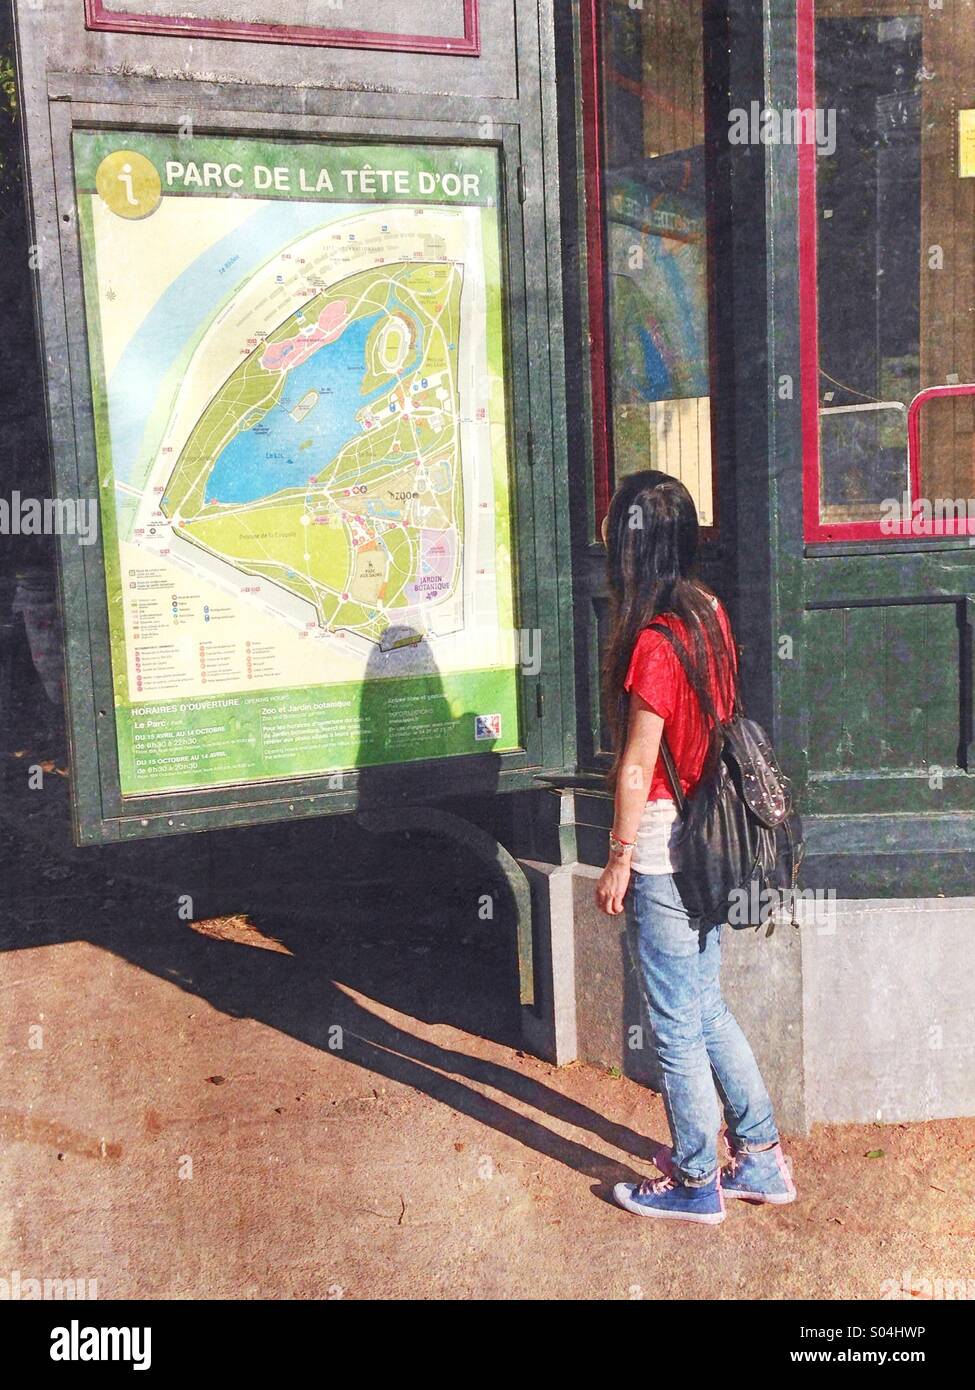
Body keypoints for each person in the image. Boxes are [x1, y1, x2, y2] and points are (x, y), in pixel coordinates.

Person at [595, 470, 795, 1225]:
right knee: (705, 1006)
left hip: (661, 849)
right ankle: (762, 1158)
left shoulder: (652, 641)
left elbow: (639, 765)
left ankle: (692, 1179)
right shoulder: (706, 611)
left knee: (676, 1025)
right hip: (711, 842)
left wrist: (617, 856)